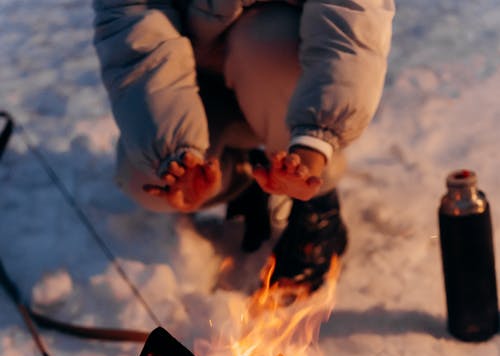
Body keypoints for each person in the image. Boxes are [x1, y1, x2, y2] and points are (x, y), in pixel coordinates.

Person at [93, 0, 395, 293]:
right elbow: (137, 29)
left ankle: (315, 199)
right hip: (197, 83)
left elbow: (350, 27)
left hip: (284, 76)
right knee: (145, 177)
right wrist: (176, 152)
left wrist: (314, 143)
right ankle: (244, 176)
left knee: (264, 40)